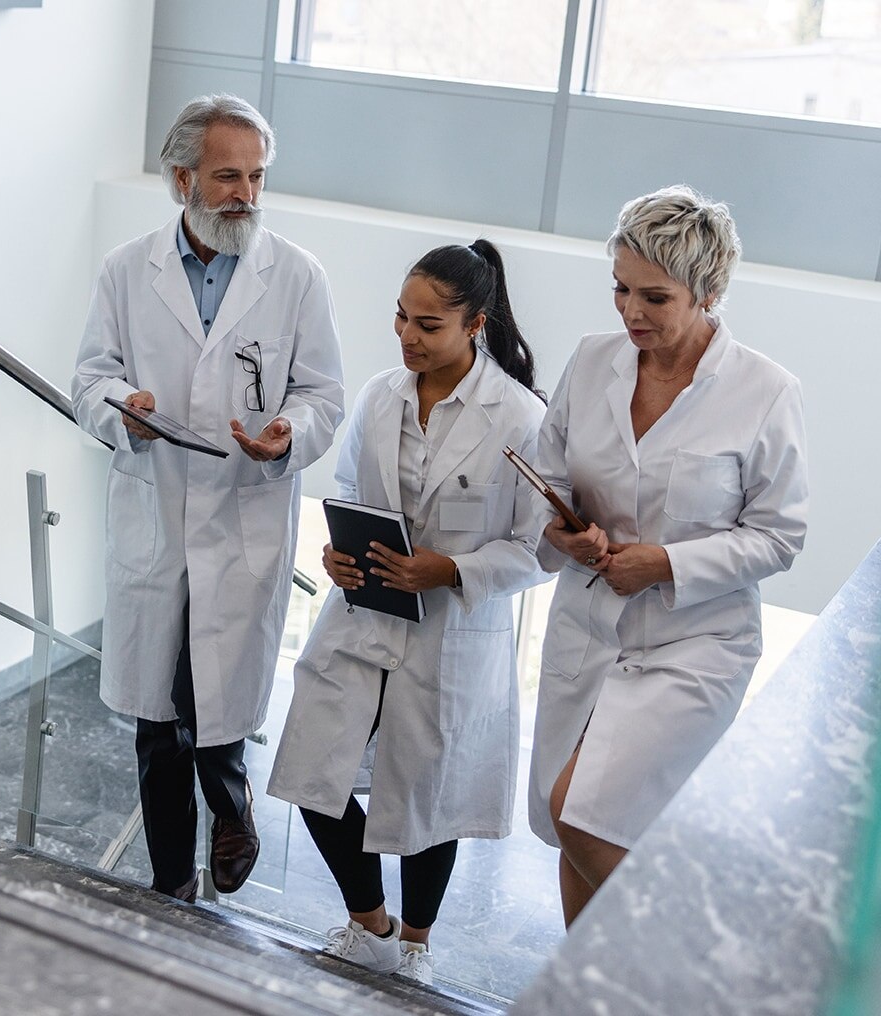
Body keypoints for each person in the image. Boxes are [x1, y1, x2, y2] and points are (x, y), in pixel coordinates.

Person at [72, 94, 344, 904]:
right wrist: (124, 411)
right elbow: (90, 378)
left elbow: (323, 395)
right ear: (182, 179)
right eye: (228, 177)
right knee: (159, 718)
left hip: (242, 511)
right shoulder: (127, 270)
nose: (246, 196)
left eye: (257, 177)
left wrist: (288, 435)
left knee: (214, 697)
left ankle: (232, 808)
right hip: (157, 512)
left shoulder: (296, 275)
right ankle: (170, 885)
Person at [267, 240, 548, 984]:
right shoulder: (380, 395)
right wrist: (337, 554)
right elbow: (350, 491)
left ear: (476, 324)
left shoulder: (520, 417)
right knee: (311, 772)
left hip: (451, 632)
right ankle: (372, 927)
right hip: (363, 614)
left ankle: (417, 947)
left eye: (428, 325)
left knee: (430, 801)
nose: (407, 337)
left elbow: (539, 549)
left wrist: (451, 569)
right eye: (401, 317)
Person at [527, 185, 808, 927]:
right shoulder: (592, 362)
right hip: (589, 627)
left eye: (655, 297)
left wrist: (665, 564)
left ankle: (688, 961)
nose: (631, 312)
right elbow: (548, 478)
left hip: (695, 645)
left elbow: (780, 536)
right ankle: (588, 983)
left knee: (581, 813)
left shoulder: (764, 391)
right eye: (620, 289)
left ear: (709, 293)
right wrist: (563, 530)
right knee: (575, 825)